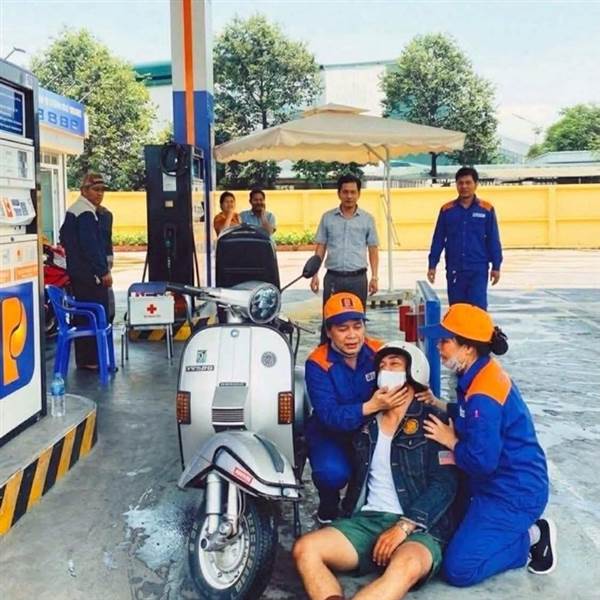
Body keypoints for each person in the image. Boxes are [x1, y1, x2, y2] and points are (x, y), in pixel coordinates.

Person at [294, 341, 457, 600]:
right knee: (306, 549)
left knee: (405, 568)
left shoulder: (434, 421)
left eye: (394, 364)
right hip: (367, 521)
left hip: (419, 527)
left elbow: (445, 485)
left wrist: (404, 526)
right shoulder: (366, 422)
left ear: (414, 372)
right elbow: (330, 420)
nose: (386, 370)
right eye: (382, 366)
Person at [419, 303, 556, 587]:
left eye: (445, 341)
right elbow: (470, 414)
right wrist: (439, 404)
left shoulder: (484, 394)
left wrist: (450, 440)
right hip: (494, 483)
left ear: (468, 348)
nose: (439, 347)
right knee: (448, 531)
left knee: (459, 569)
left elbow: (482, 462)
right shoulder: (479, 372)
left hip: (512, 493)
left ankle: (533, 536)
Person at [305, 292, 401, 524]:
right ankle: (327, 510)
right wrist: (370, 406)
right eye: (342, 328)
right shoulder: (317, 363)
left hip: (369, 431)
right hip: (330, 434)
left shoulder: (380, 352)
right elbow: (329, 415)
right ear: (329, 331)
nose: (352, 335)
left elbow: (406, 378)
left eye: (357, 326)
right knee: (331, 475)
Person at [311, 174, 379, 342]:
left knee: (357, 320)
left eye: (353, 192)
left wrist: (375, 277)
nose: (349, 196)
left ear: (359, 194)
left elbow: (373, 249)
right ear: (339, 193)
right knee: (330, 319)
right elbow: (321, 247)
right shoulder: (327, 218)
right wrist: (314, 274)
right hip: (333, 278)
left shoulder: (367, 219)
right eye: (345, 192)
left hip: (358, 279)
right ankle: (327, 352)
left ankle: (356, 352)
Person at [427, 167, 502, 310]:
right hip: (455, 270)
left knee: (477, 310)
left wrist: (496, 266)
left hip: (478, 269)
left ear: (476, 184)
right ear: (456, 185)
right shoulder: (447, 210)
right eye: (460, 183)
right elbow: (438, 239)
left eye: (468, 182)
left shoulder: (486, 209)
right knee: (457, 311)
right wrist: (432, 265)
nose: (464, 186)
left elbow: (493, 239)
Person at [59, 173, 111, 370]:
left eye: (102, 190)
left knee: (83, 315)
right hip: (90, 277)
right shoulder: (86, 214)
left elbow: (63, 236)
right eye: (95, 190)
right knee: (95, 315)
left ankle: (86, 359)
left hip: (78, 274)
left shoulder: (75, 210)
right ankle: (92, 360)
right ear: (84, 190)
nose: (99, 194)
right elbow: (92, 247)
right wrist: (103, 271)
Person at [96, 204, 115, 322]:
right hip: (106, 256)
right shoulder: (107, 214)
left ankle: (106, 317)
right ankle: (108, 317)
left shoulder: (104, 215)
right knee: (107, 289)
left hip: (100, 258)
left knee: (105, 288)